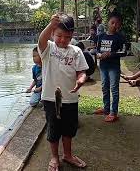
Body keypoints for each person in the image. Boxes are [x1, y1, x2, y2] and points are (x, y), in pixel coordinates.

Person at [38, 13, 89, 171]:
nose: (62, 40)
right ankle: (54, 157)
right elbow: (41, 40)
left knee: (69, 129)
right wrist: (50, 24)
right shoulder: (48, 48)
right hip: (50, 99)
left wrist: (81, 79)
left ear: (72, 35)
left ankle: (67, 154)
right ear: (53, 33)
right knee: (53, 129)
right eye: (58, 35)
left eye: (67, 37)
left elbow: (82, 71)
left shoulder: (76, 51)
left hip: (71, 99)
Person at [93, 12, 126, 122]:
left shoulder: (120, 37)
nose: (114, 25)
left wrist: (111, 54)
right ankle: (106, 109)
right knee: (104, 88)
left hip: (114, 67)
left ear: (119, 26)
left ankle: (113, 112)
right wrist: (98, 55)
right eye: (112, 22)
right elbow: (97, 50)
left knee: (114, 89)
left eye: (116, 24)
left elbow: (124, 52)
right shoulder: (101, 36)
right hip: (103, 66)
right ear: (108, 22)